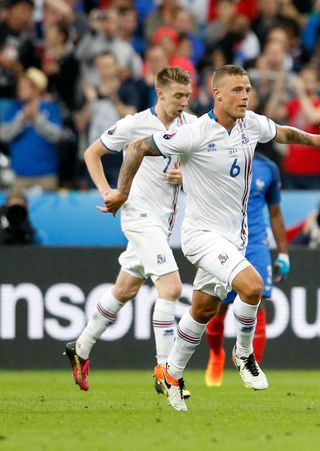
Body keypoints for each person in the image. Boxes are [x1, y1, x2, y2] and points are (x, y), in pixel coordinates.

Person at [101, 64, 320, 411]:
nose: (245, 96)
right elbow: (136, 149)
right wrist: (121, 192)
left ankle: (171, 374)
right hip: (202, 236)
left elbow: (284, 133)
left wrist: (318, 141)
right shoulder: (196, 133)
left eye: (248, 89)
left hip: (234, 237)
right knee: (251, 287)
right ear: (217, 93)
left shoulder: (251, 124)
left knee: (202, 310)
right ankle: (244, 353)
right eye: (237, 90)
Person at [63, 67, 196, 397]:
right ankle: (166, 371)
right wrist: (108, 191)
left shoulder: (192, 127)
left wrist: (187, 177)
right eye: (178, 96)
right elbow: (92, 153)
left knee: (125, 289)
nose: (184, 102)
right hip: (138, 216)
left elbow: (200, 170)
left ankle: (79, 347)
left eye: (187, 96)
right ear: (160, 92)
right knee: (171, 288)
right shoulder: (134, 124)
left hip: (163, 223)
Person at [204, 151, 289, 387]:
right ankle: (217, 355)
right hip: (224, 239)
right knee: (217, 307)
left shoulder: (268, 167)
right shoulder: (220, 156)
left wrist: (283, 253)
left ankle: (253, 366)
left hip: (256, 243)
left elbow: (274, 211)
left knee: (258, 299)